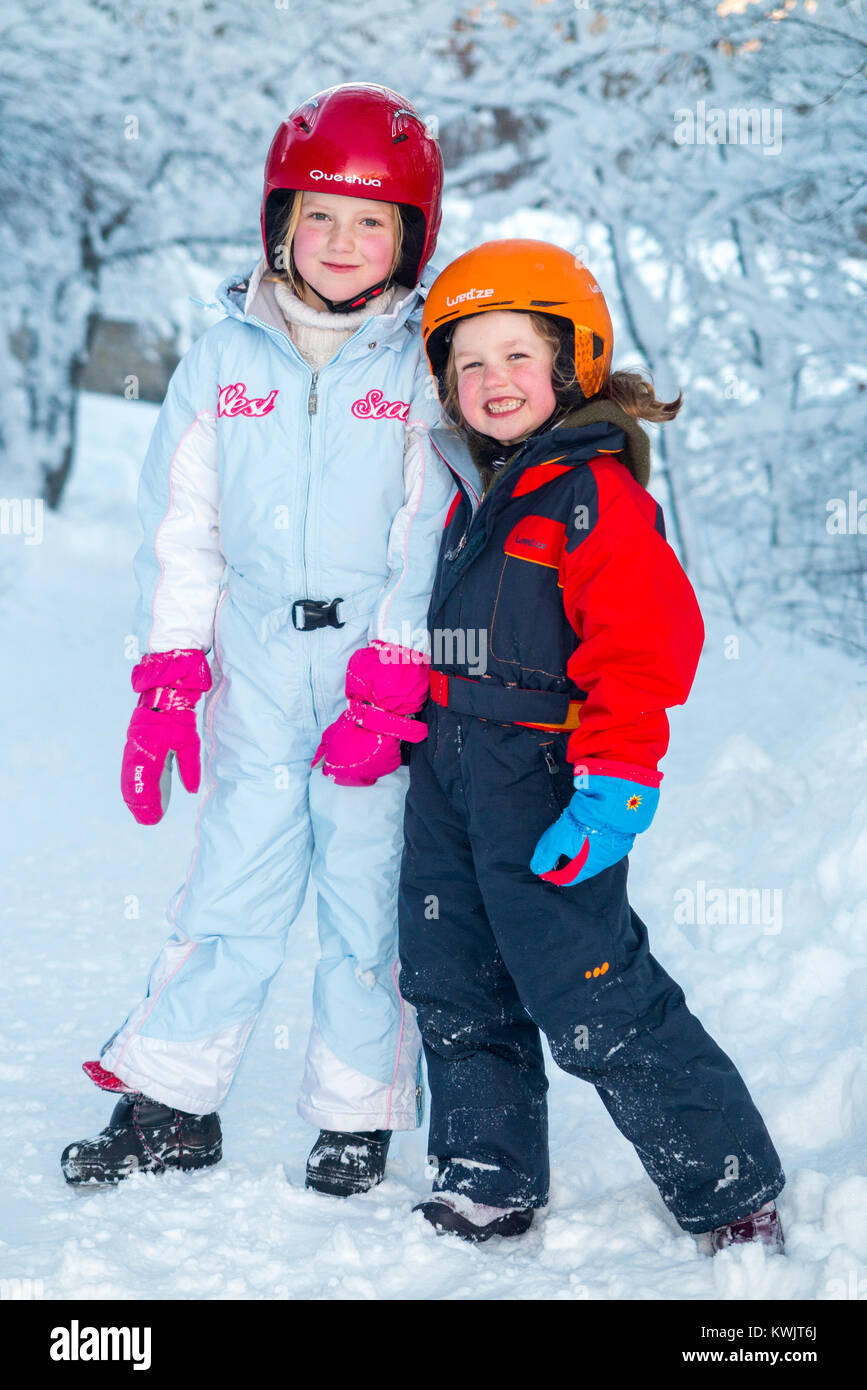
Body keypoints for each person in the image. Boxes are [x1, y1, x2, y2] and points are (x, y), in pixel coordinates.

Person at [61, 83, 454, 1197]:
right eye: (319, 215)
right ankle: (173, 1099)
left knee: (364, 896)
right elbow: (182, 525)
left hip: (377, 681)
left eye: (370, 220)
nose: (340, 242)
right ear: (279, 223)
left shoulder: (421, 366)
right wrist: (170, 667)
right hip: (258, 665)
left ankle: (354, 1111)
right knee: (228, 886)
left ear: (409, 236)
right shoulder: (224, 358)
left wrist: (396, 667)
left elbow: (428, 523)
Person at [397, 239, 786, 1251]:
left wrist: (616, 772)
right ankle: (487, 1171)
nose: (492, 382)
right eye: (468, 363)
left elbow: (650, 642)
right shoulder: (470, 486)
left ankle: (728, 1182)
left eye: (517, 356)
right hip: (446, 772)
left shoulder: (591, 495)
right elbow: (460, 626)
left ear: (574, 361)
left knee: (589, 990)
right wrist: (400, 696)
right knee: (450, 973)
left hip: (542, 776)